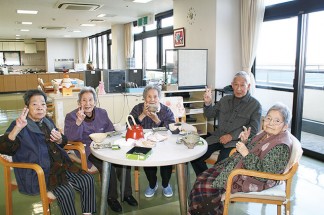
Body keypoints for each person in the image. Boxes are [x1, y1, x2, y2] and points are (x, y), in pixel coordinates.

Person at [0, 89, 96, 215]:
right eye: (35, 104)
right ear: (27, 107)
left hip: (60, 167)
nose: (40, 107)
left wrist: (60, 139)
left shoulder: (47, 121)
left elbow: (63, 142)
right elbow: (4, 148)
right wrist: (16, 129)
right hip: (39, 173)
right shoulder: (19, 125)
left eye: (43, 104)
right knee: (66, 192)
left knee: (87, 179)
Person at [189, 103, 294, 214]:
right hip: (242, 167)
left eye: (277, 121)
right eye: (268, 118)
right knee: (202, 177)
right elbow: (257, 150)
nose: (271, 123)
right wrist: (245, 141)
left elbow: (265, 172)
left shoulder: (281, 146)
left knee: (207, 187)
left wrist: (245, 153)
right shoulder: (266, 134)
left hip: (256, 178)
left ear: (285, 126)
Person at [64, 86, 137, 212]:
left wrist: (115, 135)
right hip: (88, 150)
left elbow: (110, 130)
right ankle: (111, 198)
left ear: (95, 101)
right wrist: (78, 122)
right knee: (107, 166)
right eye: (84, 100)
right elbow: (70, 138)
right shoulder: (71, 116)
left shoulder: (102, 112)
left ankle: (127, 194)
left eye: (91, 100)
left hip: (105, 145)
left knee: (122, 162)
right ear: (79, 103)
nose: (87, 103)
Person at [191, 71, 262, 176]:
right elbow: (209, 114)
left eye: (242, 85)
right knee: (195, 156)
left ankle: (212, 182)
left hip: (236, 142)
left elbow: (253, 130)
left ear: (248, 86)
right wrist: (208, 103)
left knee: (220, 164)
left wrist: (231, 136)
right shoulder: (225, 100)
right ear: (232, 85)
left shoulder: (255, 105)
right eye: (236, 85)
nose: (239, 88)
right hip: (218, 137)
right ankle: (206, 179)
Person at [129, 85, 175, 198]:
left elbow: (172, 128)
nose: (152, 99)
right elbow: (129, 126)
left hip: (163, 143)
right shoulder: (138, 108)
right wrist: (143, 114)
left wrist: (156, 120)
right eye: (149, 96)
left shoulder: (166, 110)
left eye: (155, 96)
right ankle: (152, 184)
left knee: (166, 160)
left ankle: (165, 184)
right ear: (145, 98)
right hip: (145, 143)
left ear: (159, 98)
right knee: (148, 160)